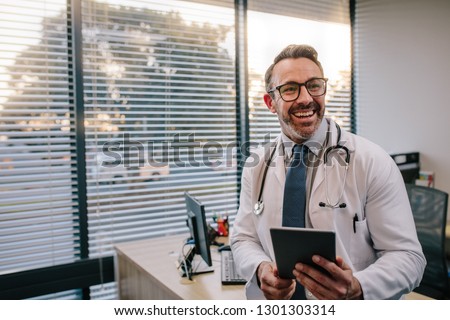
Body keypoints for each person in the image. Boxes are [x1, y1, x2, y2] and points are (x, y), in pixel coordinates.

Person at [229, 44, 425, 300]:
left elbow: (409, 258)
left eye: (314, 85)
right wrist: (259, 268)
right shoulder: (257, 164)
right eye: (290, 89)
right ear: (270, 102)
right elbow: (243, 238)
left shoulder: (371, 161)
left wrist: (358, 286)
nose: (305, 98)